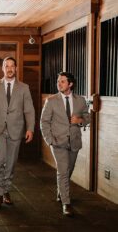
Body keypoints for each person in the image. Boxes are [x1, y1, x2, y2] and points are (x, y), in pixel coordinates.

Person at [40, 72, 90, 217]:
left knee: (69, 170)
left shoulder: (80, 100)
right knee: (62, 171)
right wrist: (49, 140)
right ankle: (66, 203)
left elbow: (88, 117)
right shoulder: (51, 100)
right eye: (58, 81)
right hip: (57, 142)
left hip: (74, 142)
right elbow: (44, 122)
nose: (59, 84)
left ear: (70, 84)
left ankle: (61, 192)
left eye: (62, 81)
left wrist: (79, 120)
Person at [0, 56, 35, 210]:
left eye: (12, 66)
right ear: (2, 68)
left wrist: (30, 128)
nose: (9, 69)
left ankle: (6, 190)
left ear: (16, 68)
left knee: (10, 163)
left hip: (16, 130)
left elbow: (29, 110)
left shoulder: (24, 88)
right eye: (6, 66)